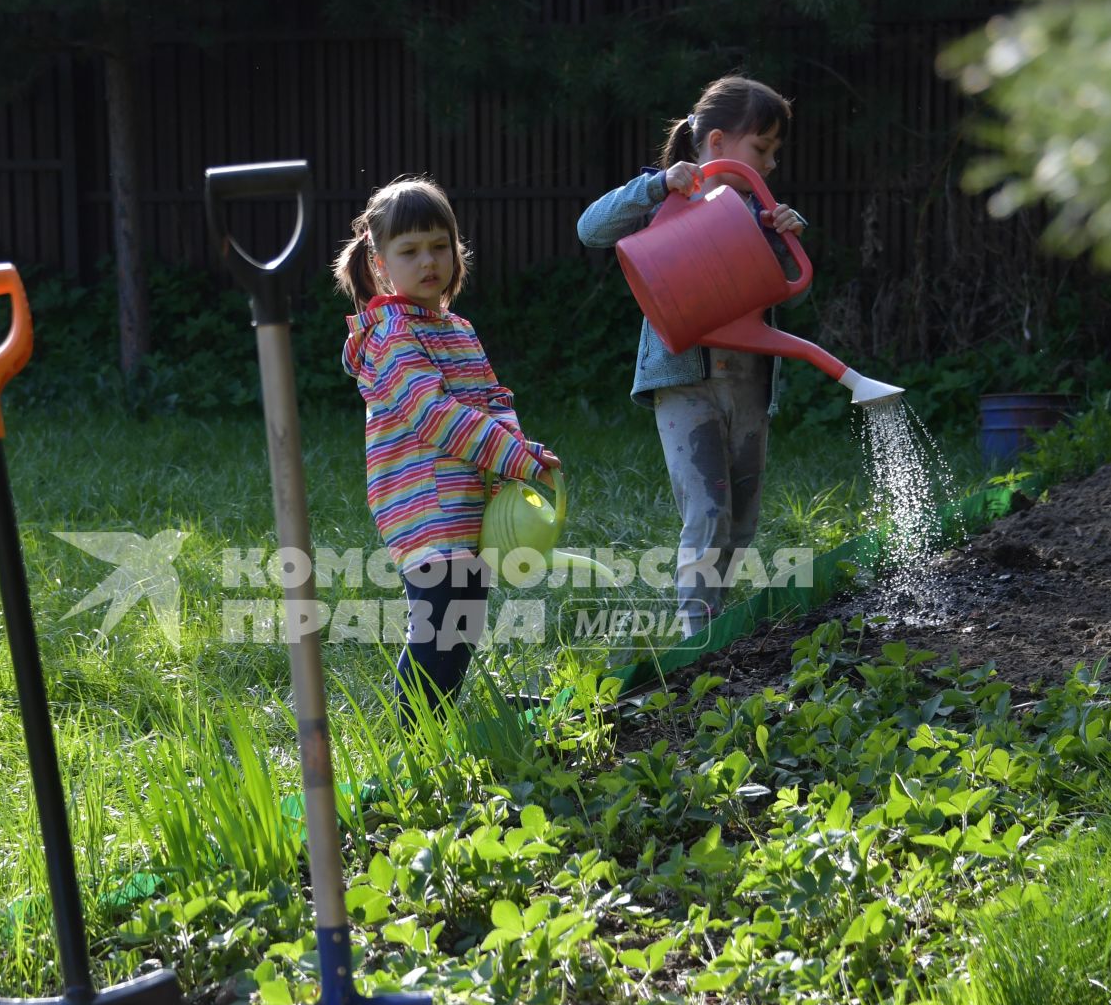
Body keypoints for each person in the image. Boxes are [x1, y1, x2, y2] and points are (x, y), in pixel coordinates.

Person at [577, 75, 808, 638]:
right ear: (719, 142)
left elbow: (788, 289)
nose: (771, 163)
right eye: (763, 149)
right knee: (707, 510)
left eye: (776, 153)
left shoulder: (759, 213)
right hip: (686, 382)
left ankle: (715, 621)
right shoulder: (668, 196)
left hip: (748, 382)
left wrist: (784, 238)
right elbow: (590, 230)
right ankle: (695, 634)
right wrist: (655, 186)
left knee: (742, 519)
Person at [336, 174, 561, 726]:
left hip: (467, 499)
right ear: (379, 262)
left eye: (440, 246)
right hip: (422, 502)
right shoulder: (390, 335)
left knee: (462, 622)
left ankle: (434, 726)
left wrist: (516, 446)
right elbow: (434, 416)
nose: (428, 261)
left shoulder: (457, 328)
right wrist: (513, 457)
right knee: (440, 625)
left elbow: (490, 398)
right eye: (409, 250)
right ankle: (409, 738)